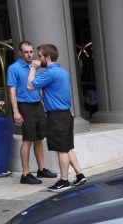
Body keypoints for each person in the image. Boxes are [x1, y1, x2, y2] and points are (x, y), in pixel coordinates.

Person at [27, 43, 86, 192]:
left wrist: (33, 68)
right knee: (67, 147)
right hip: (65, 114)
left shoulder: (50, 73)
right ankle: (79, 175)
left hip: (57, 116)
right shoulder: (61, 71)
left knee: (62, 150)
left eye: (39, 56)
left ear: (47, 57)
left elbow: (30, 86)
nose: (37, 58)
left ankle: (64, 181)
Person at [7, 41, 56, 184]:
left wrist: (44, 103)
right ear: (20, 53)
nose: (29, 54)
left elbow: (39, 86)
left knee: (39, 139)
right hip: (24, 106)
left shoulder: (35, 66)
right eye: (26, 52)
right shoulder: (14, 68)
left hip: (37, 105)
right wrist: (15, 111)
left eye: (31, 51)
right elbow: (12, 90)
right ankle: (25, 174)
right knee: (27, 140)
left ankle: (41, 169)